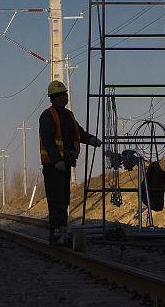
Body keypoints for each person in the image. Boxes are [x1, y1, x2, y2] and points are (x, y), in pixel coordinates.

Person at [39, 79, 101, 245]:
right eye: (60, 96)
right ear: (53, 98)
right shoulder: (48, 115)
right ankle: (56, 235)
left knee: (64, 200)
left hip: (66, 164)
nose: (64, 98)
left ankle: (63, 234)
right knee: (56, 201)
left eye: (65, 95)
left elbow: (78, 133)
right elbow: (48, 141)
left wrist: (91, 139)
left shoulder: (68, 115)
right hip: (53, 167)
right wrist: (56, 160)